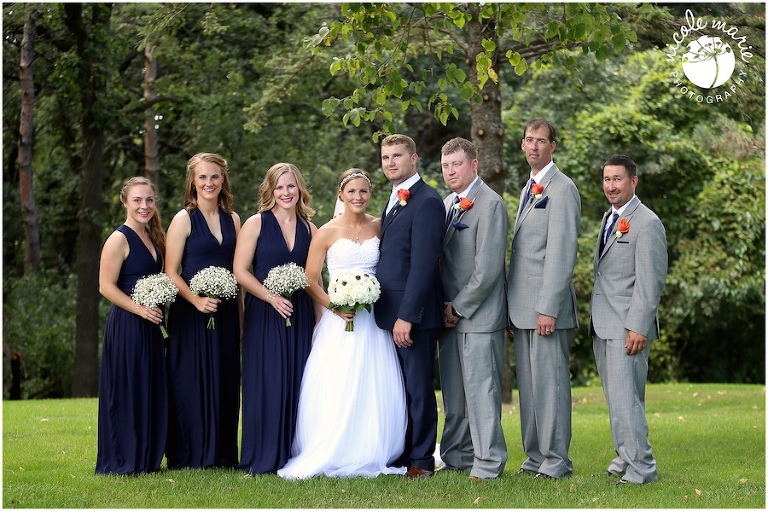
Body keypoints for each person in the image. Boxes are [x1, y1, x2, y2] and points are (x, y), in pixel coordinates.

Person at [278, 169, 407, 479]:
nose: (358, 197)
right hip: (339, 320)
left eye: (363, 191)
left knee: (373, 381)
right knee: (338, 380)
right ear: (341, 195)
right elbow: (310, 279)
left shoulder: (379, 226)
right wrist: (334, 306)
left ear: (369, 194)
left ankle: (372, 448)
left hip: (373, 321)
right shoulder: (326, 231)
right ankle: (334, 446)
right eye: (351, 192)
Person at [234, 162, 320, 474]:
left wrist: (321, 322)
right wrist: (271, 297)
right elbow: (240, 271)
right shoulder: (255, 223)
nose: (285, 193)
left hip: (300, 317)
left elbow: (315, 279)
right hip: (264, 316)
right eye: (279, 187)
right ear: (270, 191)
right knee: (267, 381)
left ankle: (294, 453)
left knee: (299, 381)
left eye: (290, 186)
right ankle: (263, 454)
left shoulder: (311, 229)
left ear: (300, 189)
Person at [507, 119, 580, 479]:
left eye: (541, 141)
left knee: (550, 387)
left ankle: (556, 461)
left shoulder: (562, 188)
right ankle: (535, 457)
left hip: (545, 310)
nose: (533, 147)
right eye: (528, 140)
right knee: (532, 390)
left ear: (553, 146)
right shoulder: (530, 186)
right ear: (522, 145)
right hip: (522, 309)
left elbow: (562, 252)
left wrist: (548, 307)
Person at [591, 154, 667, 485]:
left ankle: (642, 468)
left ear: (633, 181)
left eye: (617, 179)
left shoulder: (647, 223)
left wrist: (638, 325)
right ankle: (625, 456)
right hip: (603, 323)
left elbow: (651, 282)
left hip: (627, 327)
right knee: (616, 399)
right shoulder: (610, 217)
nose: (611, 186)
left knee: (627, 400)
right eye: (607, 179)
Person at [165, 153, 242, 469]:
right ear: (193, 181)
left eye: (214, 176)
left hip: (224, 314)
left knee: (224, 379)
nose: (209, 183)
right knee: (192, 381)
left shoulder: (234, 219)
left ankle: (222, 455)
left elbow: (238, 272)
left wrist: (240, 320)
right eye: (202, 177)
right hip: (191, 314)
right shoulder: (183, 219)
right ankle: (192, 455)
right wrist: (196, 301)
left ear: (222, 180)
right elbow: (170, 271)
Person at [437, 138, 508, 481]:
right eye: (446, 165)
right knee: (455, 394)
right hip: (448, 318)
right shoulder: (449, 203)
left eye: (457, 164)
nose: (451, 171)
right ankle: (457, 455)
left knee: (482, 392)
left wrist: (458, 307)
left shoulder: (490, 204)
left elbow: (488, 269)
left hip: (478, 316)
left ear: (474, 165)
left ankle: (489, 462)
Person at [374, 134, 445, 479]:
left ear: (414, 158)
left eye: (397, 155)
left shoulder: (428, 201)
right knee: (398, 389)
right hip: (388, 313)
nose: (390, 162)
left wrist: (407, 316)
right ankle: (403, 453)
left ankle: (421, 461)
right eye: (385, 156)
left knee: (418, 390)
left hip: (411, 316)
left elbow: (424, 264)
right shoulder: (395, 199)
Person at [95, 177, 168, 475]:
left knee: (147, 387)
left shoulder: (153, 236)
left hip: (151, 325)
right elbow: (105, 286)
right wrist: (139, 309)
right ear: (124, 202)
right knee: (127, 389)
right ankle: (124, 459)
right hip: (128, 324)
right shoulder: (118, 239)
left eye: (149, 200)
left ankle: (146, 456)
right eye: (137, 200)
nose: (144, 206)